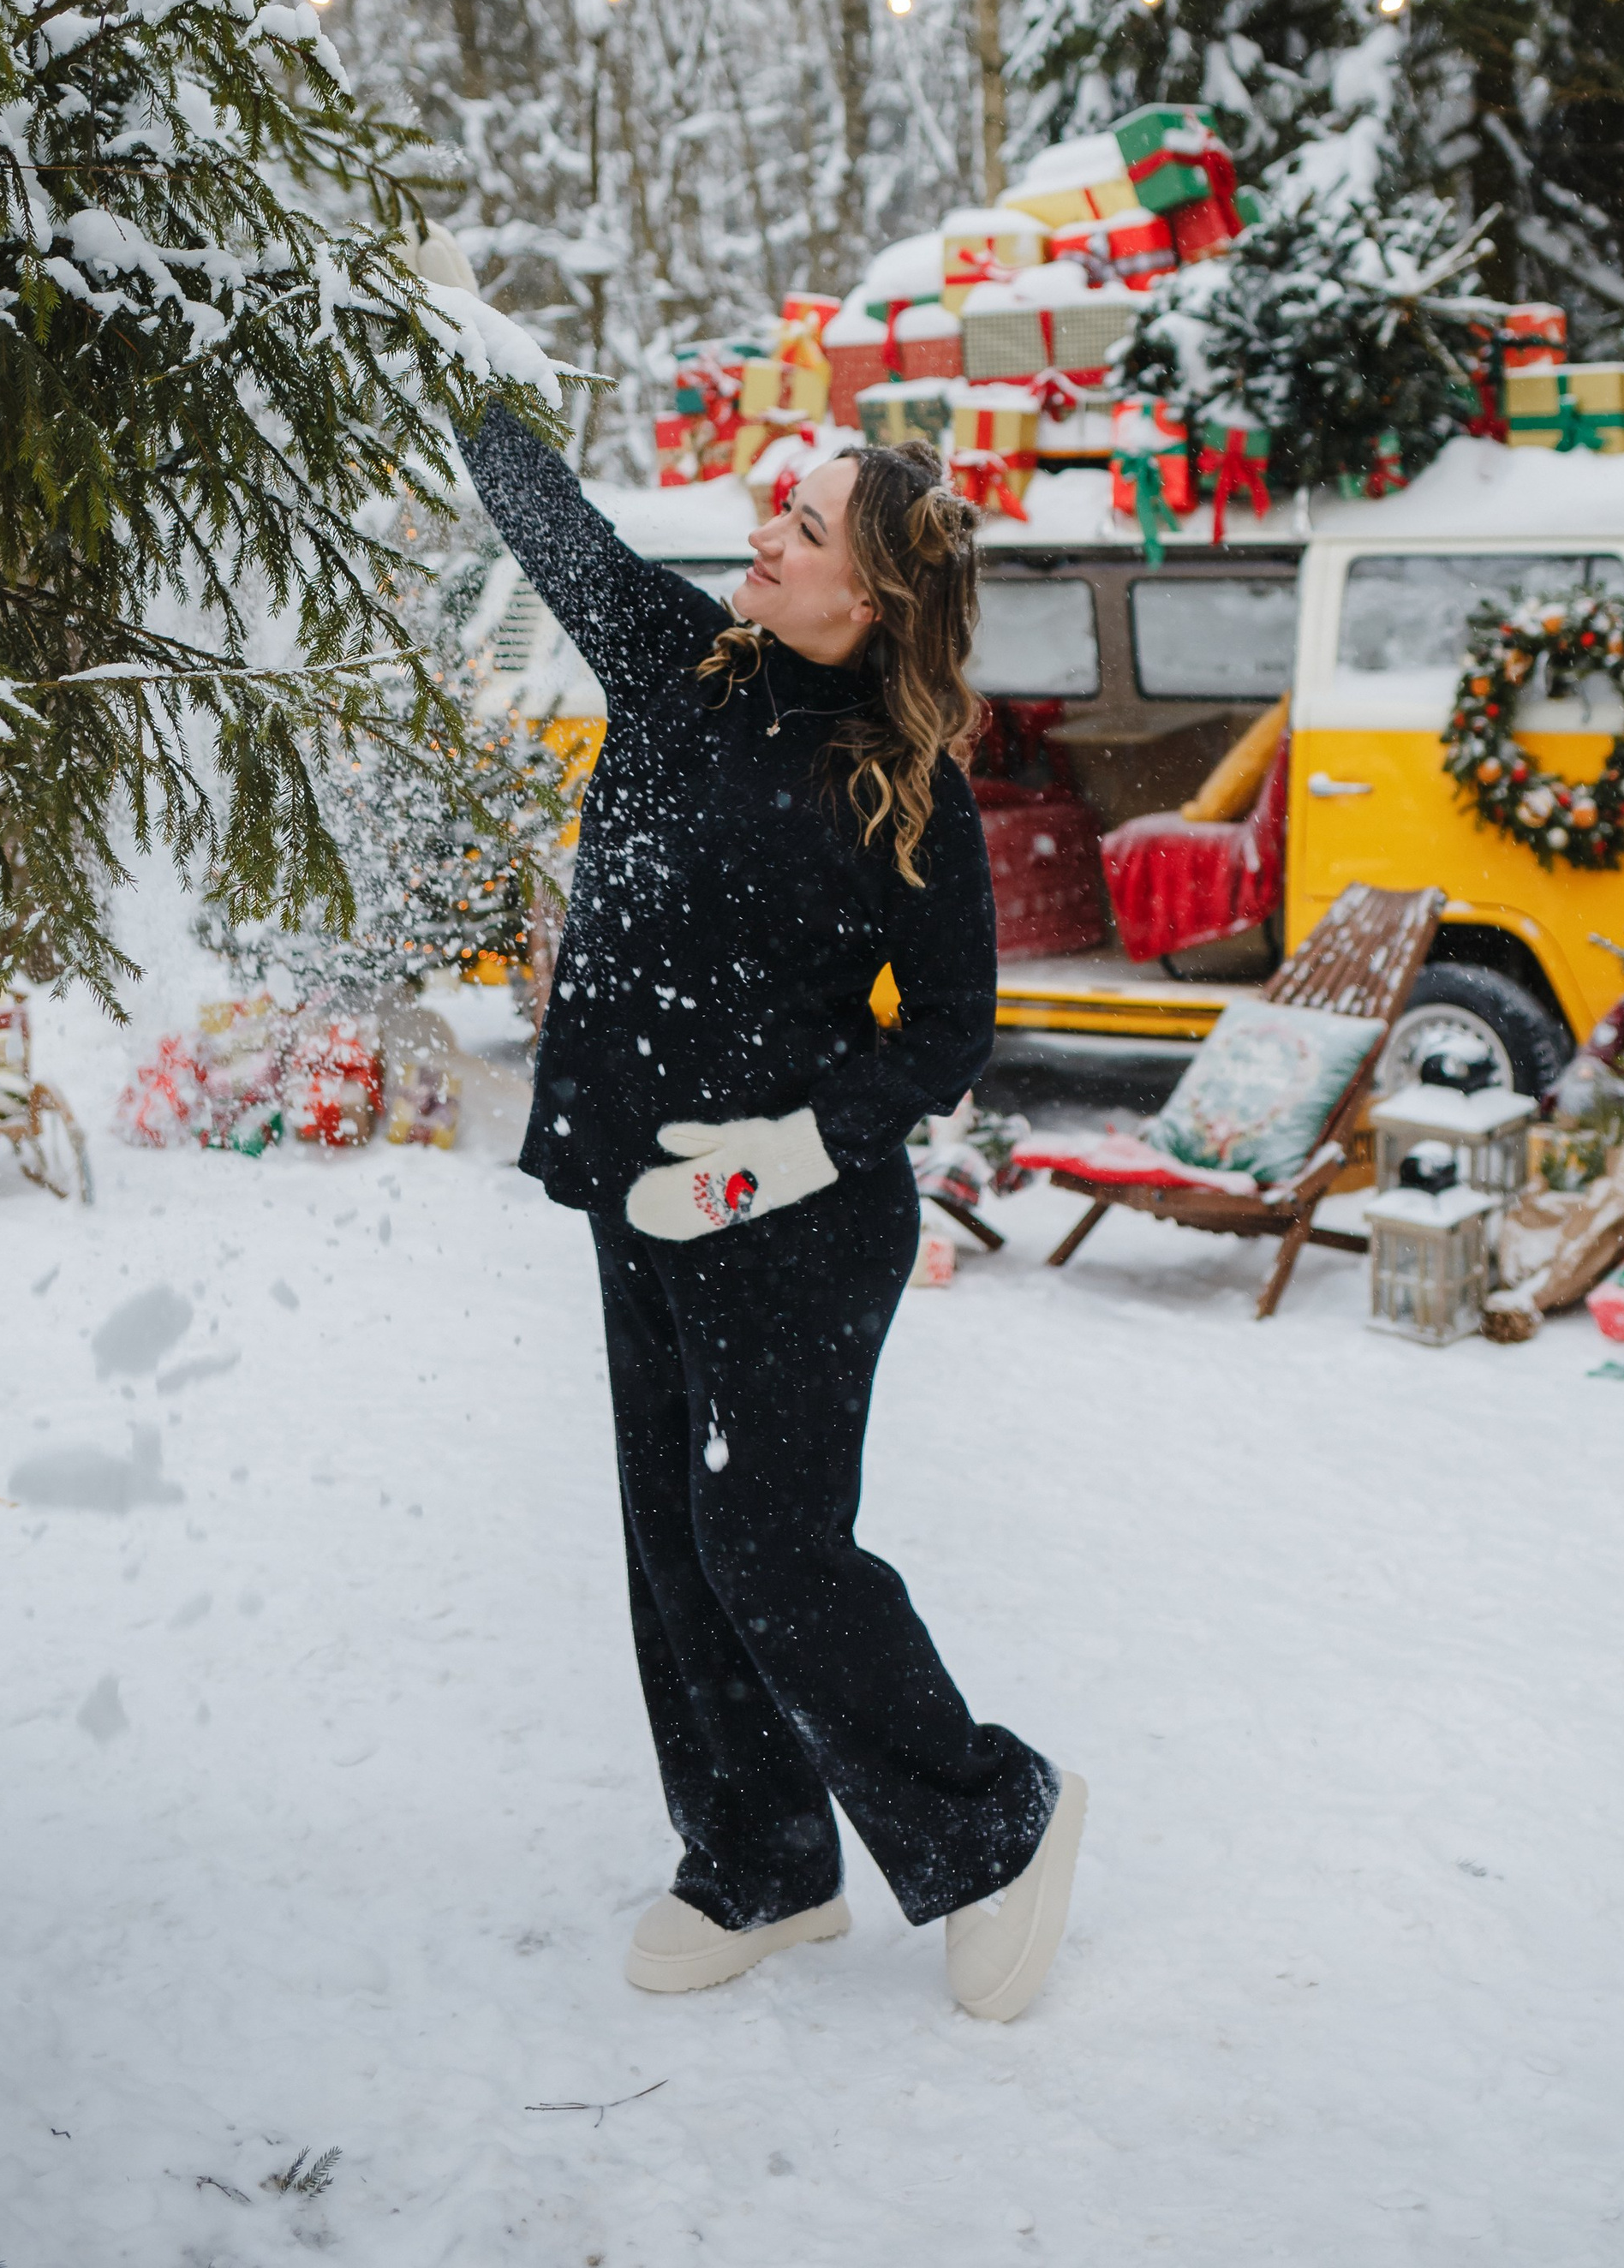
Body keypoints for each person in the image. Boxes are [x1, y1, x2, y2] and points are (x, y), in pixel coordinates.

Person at [445, 331, 1085, 2024]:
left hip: (796, 1225)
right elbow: (549, 519)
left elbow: (948, 1027)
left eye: (800, 521)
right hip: (632, 1197)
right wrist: (452, 349)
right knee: (674, 1539)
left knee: (770, 1545)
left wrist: (789, 1154)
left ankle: (991, 1821)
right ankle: (758, 1865)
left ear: (864, 597)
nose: (767, 526)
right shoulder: (683, 667)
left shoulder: (906, 791)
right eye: (777, 506)